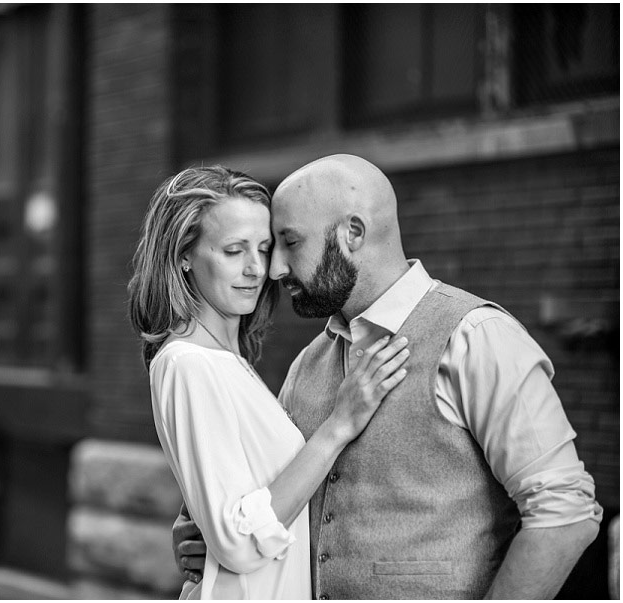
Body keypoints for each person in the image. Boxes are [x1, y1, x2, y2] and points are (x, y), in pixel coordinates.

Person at [173, 154, 603, 599]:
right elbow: (262, 502)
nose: (274, 269)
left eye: (291, 242)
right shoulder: (308, 363)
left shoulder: (478, 337)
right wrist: (202, 530)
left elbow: (564, 516)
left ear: (352, 233)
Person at [127, 166, 410, 599]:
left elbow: (235, 509)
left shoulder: (229, 362)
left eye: (264, 248)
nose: (256, 269)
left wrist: (199, 521)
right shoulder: (189, 364)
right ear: (184, 256)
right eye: (233, 250)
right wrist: (339, 425)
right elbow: (239, 542)